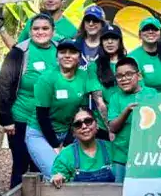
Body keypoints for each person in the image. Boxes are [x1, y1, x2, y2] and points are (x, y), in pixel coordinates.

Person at [28, 39, 107, 179]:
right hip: (41, 132)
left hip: (70, 130)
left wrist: (68, 142)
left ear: (79, 56)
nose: (67, 55)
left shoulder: (84, 76)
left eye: (72, 52)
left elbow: (81, 111)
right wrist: (56, 145)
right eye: (62, 52)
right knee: (56, 173)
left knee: (79, 171)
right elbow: (42, 115)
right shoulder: (47, 78)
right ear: (57, 56)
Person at [0, 14, 58, 188]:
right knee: (21, 165)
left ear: (53, 31)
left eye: (45, 28)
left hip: (51, 120)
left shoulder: (61, 50)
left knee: (45, 164)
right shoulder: (19, 52)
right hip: (22, 118)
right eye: (36, 29)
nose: (40, 32)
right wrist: (6, 119)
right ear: (30, 31)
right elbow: (3, 85)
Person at [107, 57, 157, 183]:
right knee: (119, 191)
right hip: (121, 156)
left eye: (129, 74)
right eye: (119, 76)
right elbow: (113, 127)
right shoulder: (115, 98)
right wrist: (126, 111)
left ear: (139, 76)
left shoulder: (152, 94)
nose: (124, 79)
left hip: (146, 154)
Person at [0, 0, 78, 47]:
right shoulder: (32, 23)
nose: (50, 0)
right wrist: (2, 29)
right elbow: (18, 49)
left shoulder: (71, 29)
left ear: (63, 0)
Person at [50, 108, 115, 187]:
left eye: (88, 121)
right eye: (78, 124)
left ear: (97, 125)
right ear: (73, 132)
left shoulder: (112, 149)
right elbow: (58, 175)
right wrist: (58, 178)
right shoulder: (66, 155)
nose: (84, 126)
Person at [92, 24, 127, 137]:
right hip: (105, 126)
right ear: (101, 42)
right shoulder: (93, 67)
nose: (110, 42)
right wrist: (111, 129)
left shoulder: (130, 62)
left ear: (120, 41)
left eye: (114, 38)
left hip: (129, 120)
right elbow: (99, 101)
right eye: (106, 38)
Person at [129, 17, 161, 93]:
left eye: (154, 29)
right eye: (146, 29)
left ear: (160, 33)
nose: (150, 31)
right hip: (144, 101)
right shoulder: (132, 57)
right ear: (140, 34)